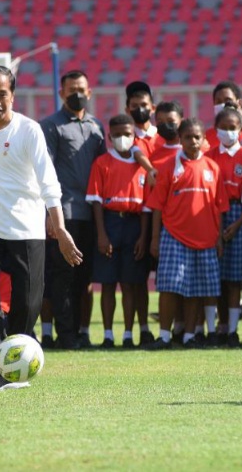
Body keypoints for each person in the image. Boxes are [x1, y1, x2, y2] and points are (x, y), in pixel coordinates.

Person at [0, 64, 81, 390]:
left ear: (12, 95)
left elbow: (49, 182)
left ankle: (14, 358)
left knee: (28, 301)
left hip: (26, 227)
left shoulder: (29, 130)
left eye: (2, 94)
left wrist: (59, 229)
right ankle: (2, 367)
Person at [145, 118, 228, 349]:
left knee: (197, 289)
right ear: (180, 139)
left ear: (204, 140)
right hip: (174, 236)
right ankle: (163, 336)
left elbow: (219, 207)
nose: (193, 141)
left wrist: (219, 237)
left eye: (197, 137)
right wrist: (154, 238)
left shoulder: (213, 168)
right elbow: (157, 206)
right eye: (188, 137)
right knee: (169, 287)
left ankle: (190, 336)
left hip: (206, 239)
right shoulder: (168, 167)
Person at [40, 69, 106, 349]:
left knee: (84, 277)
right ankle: (65, 335)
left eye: (81, 89)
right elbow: (44, 171)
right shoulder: (51, 126)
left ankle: (81, 332)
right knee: (62, 275)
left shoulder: (96, 126)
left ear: (89, 92)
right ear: (61, 93)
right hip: (63, 213)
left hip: (91, 213)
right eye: (71, 90)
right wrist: (48, 215)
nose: (76, 94)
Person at [86, 114, 151, 348]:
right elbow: (95, 201)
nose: (123, 138)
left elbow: (146, 207)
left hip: (134, 225)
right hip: (110, 223)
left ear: (134, 135)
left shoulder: (142, 164)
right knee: (108, 283)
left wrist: (144, 236)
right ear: (110, 137)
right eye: (117, 134)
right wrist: (102, 234)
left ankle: (127, 334)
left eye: (128, 134)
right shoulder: (102, 163)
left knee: (130, 283)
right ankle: (107, 335)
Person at [206, 106, 242, 346]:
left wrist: (237, 224)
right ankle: (222, 325)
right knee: (219, 277)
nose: (228, 132)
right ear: (216, 130)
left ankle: (235, 331)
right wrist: (218, 228)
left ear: (241, 129)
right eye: (223, 128)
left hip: (240, 216)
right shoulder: (211, 156)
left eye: (233, 128)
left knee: (237, 277)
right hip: (216, 215)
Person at [205, 81, 242, 152]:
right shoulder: (207, 136)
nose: (223, 105)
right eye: (218, 101)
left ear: (239, 103)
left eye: (228, 100)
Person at [125, 81, 159, 156]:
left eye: (144, 105)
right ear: (127, 110)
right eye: (134, 106)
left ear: (153, 108)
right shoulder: (125, 140)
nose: (140, 109)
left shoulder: (162, 136)